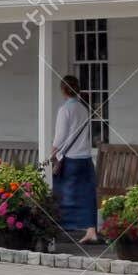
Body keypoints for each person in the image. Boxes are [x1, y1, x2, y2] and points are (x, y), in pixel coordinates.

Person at [51, 75, 98, 244]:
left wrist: (52, 152)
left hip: (70, 159)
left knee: (61, 193)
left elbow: (60, 137)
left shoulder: (65, 110)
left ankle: (62, 228)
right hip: (85, 158)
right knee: (87, 194)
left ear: (63, 90)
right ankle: (91, 230)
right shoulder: (83, 108)